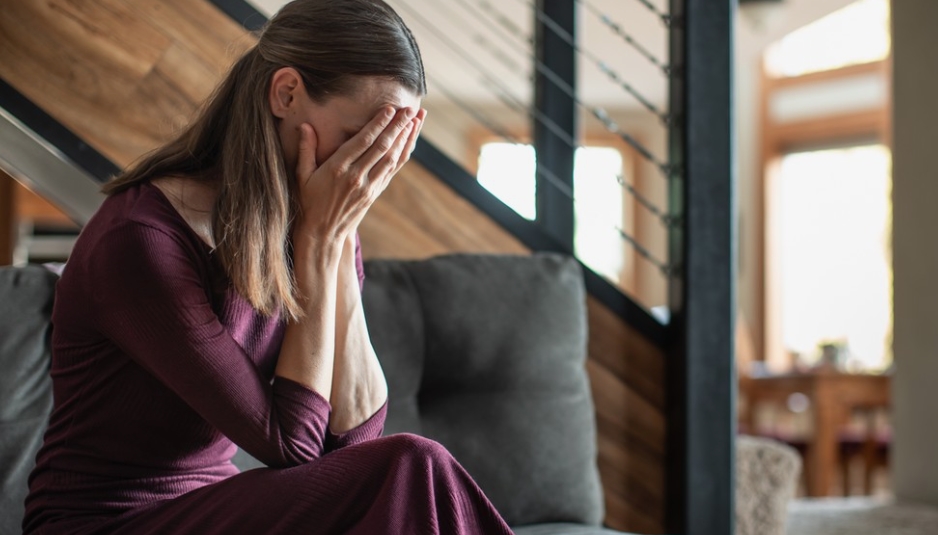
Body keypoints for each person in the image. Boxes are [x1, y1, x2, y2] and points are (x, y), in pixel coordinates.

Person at [22, 1, 514, 533]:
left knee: (409, 470)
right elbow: (294, 446)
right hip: (105, 521)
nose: (363, 174)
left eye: (385, 152)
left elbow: (351, 438)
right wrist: (325, 239)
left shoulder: (316, 224)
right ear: (285, 94)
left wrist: (339, 237)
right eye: (358, 140)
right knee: (415, 463)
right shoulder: (140, 240)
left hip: (211, 507)